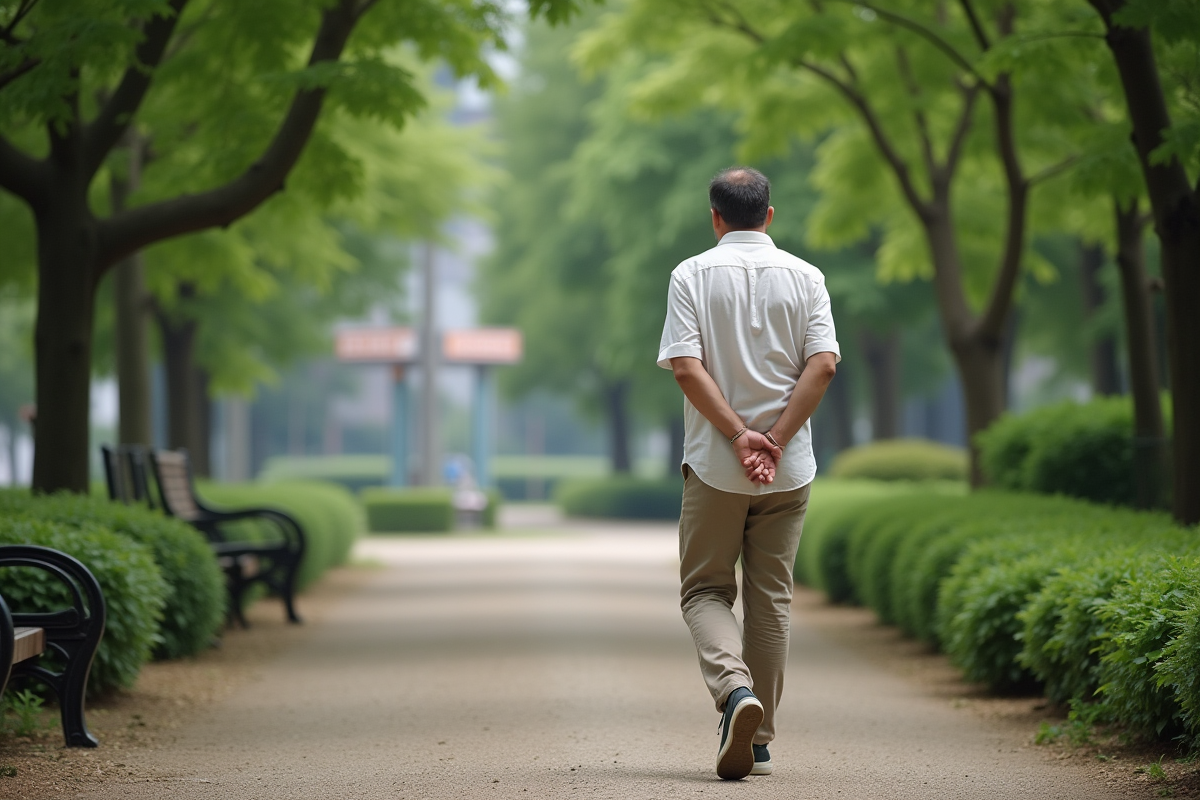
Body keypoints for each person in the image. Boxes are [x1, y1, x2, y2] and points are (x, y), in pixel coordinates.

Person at [657, 166, 840, 780]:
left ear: (715, 217)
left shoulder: (691, 275)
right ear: (769, 214)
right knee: (772, 599)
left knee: (705, 591)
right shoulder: (808, 277)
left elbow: (685, 366)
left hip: (714, 466)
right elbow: (823, 366)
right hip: (787, 471)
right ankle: (758, 738)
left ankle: (735, 692)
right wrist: (776, 440)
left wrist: (739, 437)